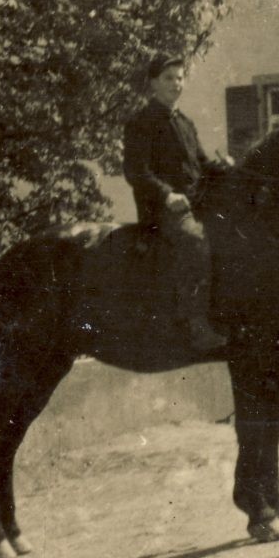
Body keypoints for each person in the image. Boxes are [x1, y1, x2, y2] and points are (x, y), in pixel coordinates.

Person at [123, 54, 225, 353]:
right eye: (169, 78)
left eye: (180, 77)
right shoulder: (141, 123)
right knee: (196, 243)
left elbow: (202, 164)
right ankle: (194, 325)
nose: (176, 84)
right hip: (161, 210)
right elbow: (137, 172)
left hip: (197, 203)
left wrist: (226, 167)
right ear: (153, 83)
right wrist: (167, 195)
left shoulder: (185, 122)